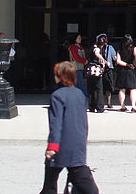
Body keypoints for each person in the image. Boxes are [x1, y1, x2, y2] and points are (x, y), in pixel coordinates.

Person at [40, 61, 100, 194]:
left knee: (50, 184)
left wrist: (52, 146)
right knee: (80, 177)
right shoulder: (80, 94)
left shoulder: (57, 95)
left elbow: (56, 123)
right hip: (77, 143)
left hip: (61, 144)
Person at [116, 34, 136, 112]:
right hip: (131, 69)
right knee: (133, 88)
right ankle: (133, 106)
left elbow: (118, 61)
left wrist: (126, 64)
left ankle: (122, 106)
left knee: (122, 89)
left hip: (122, 70)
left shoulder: (120, 49)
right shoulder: (134, 48)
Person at [85, 40, 105, 112]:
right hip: (96, 70)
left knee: (91, 89)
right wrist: (103, 60)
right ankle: (100, 107)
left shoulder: (90, 49)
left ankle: (91, 106)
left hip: (90, 70)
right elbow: (97, 53)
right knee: (99, 89)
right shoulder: (97, 49)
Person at [97, 34, 117, 108]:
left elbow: (114, 57)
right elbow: (114, 58)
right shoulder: (98, 48)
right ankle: (104, 102)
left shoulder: (109, 47)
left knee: (107, 86)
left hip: (106, 68)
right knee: (103, 86)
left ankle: (107, 102)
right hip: (102, 68)